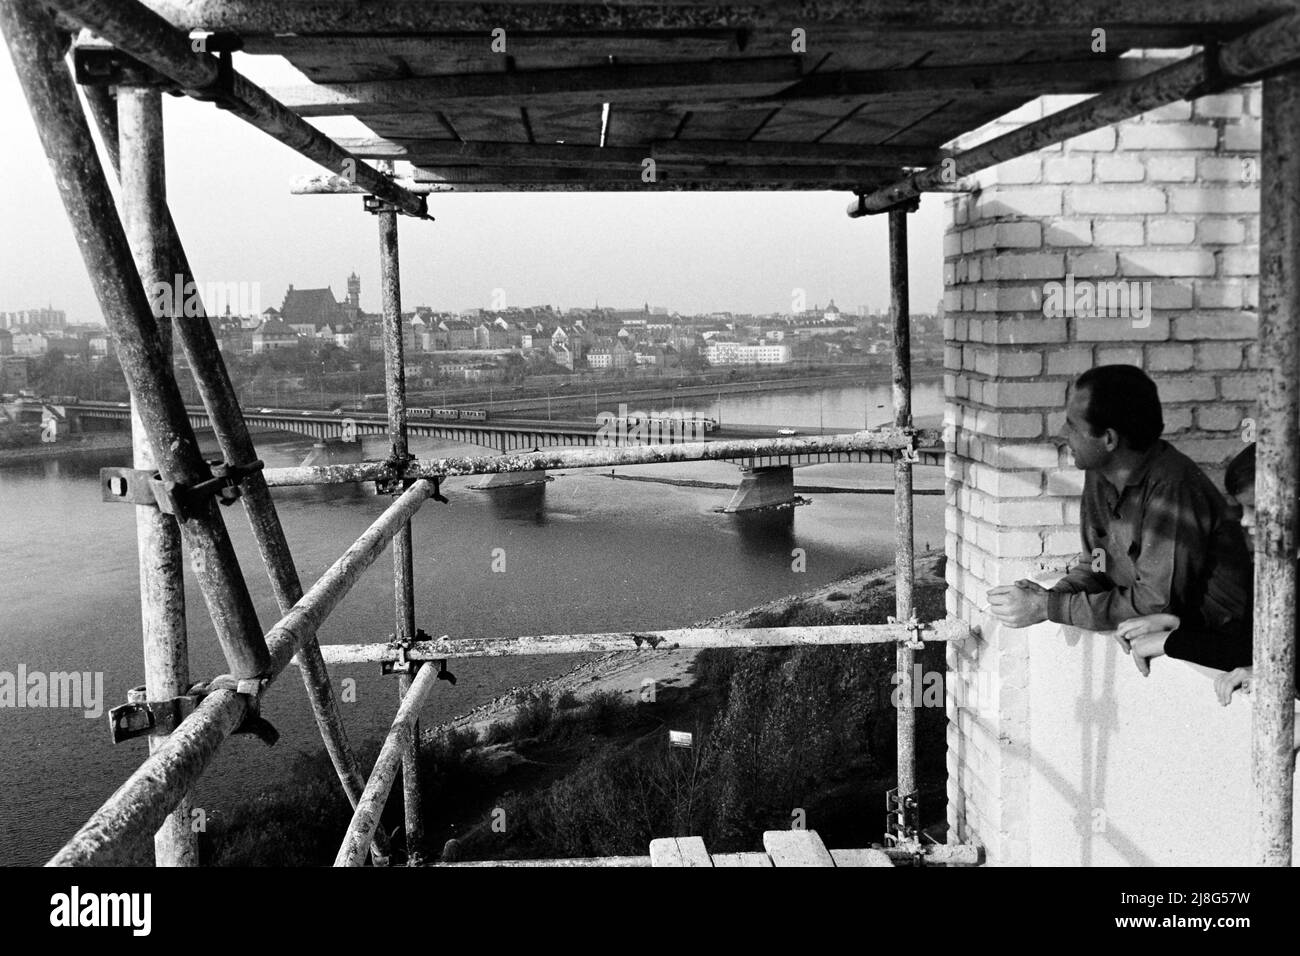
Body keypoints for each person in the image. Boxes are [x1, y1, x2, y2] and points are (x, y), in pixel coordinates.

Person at [987, 365, 1252, 637]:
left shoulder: (1172, 486)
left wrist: (1050, 607)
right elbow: (1097, 566)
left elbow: (1158, 604)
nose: (1062, 433)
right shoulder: (1100, 473)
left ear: (1109, 439)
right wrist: (1049, 597)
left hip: (1218, 644)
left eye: (1073, 426)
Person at [1120, 443, 1299, 706]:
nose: (1246, 522)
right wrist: (1176, 626)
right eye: (1242, 510)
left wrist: (1277, 678)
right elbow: (1246, 646)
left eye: (1256, 509)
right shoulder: (1272, 567)